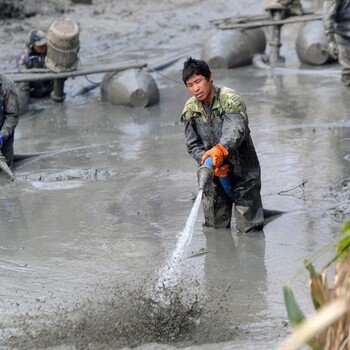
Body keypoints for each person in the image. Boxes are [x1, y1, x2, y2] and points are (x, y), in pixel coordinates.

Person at [180, 57, 264, 233]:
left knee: (249, 231)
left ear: (210, 77)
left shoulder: (229, 98)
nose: (195, 89)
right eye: (190, 85)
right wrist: (207, 162)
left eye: (198, 81)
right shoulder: (190, 109)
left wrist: (220, 151)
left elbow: (236, 129)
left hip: (243, 170)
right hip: (213, 173)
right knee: (214, 228)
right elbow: (192, 144)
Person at [16, 28, 53, 97]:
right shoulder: (24, 55)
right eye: (40, 46)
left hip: (48, 86)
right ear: (32, 45)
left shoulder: (50, 51)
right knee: (22, 83)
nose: (43, 47)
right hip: (32, 89)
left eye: (44, 44)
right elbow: (21, 74)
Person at [323, 0, 350, 86]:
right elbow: (328, 14)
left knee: (347, 71)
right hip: (344, 33)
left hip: (344, 31)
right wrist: (330, 39)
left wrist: (330, 38)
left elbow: (328, 14)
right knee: (347, 71)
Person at [0, 73, 19, 166]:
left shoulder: (7, 84)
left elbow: (13, 116)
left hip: (3, 139)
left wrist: (2, 136)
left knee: (4, 174)